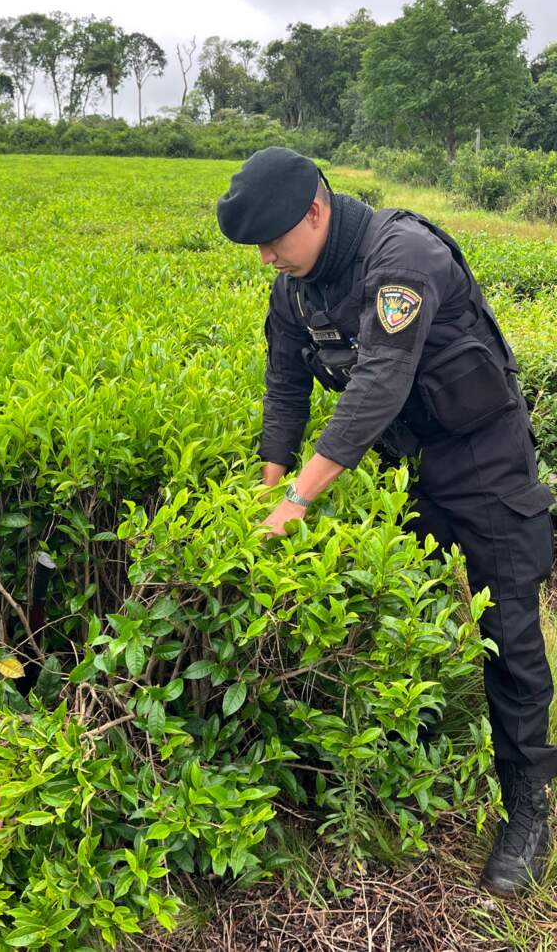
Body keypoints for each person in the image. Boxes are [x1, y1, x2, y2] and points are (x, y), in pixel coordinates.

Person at [216, 148, 556, 898]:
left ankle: (529, 802)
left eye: (275, 239)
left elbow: (375, 386)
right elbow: (284, 382)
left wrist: (298, 502)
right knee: (404, 611)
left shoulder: (401, 256)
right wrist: (263, 494)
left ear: (315, 209)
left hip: (482, 461)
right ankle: (419, 754)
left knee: (511, 631)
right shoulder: (295, 288)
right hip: (405, 468)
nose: (269, 257)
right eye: (259, 250)